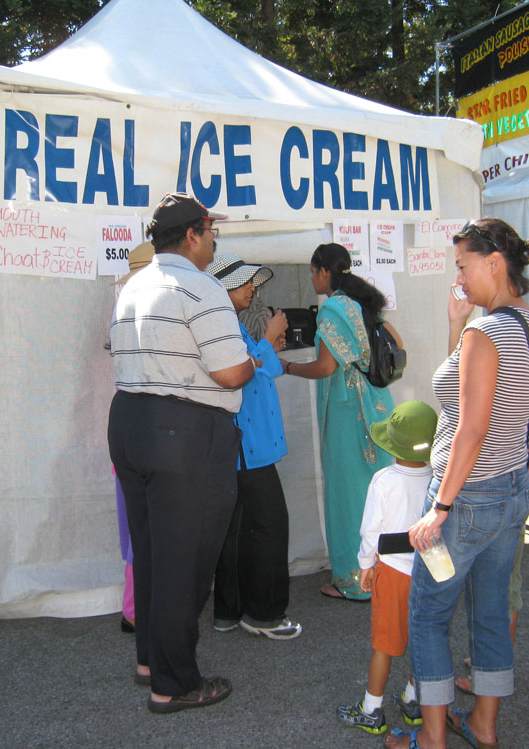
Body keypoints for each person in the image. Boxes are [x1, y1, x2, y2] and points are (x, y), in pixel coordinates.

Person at [387, 218, 529, 749]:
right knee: (492, 612)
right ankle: (483, 724)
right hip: (510, 491)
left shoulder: (488, 333)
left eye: (462, 265)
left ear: (493, 263)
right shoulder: (527, 324)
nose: (458, 277)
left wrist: (440, 508)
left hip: (466, 499)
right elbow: (471, 398)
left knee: (428, 616)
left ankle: (432, 739)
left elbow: (471, 429)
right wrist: (458, 325)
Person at [107, 192, 255, 714]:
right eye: (211, 231)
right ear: (192, 235)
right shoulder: (200, 286)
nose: (214, 240)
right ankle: (172, 683)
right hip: (184, 432)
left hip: (131, 421)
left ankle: (152, 659)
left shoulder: (133, 284)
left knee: (152, 553)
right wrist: (253, 362)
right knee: (184, 560)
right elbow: (230, 372)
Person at [281, 243, 400, 601]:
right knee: (378, 491)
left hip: (350, 412)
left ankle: (353, 581)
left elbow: (324, 367)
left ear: (323, 272)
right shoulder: (363, 302)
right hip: (376, 404)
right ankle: (385, 575)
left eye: (312, 271)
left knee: (348, 495)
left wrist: (288, 367)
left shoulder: (334, 308)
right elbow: (396, 343)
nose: (311, 278)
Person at [203, 252, 301, 641]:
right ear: (222, 287)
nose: (251, 289)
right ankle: (264, 614)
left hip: (244, 442)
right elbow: (247, 371)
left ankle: (229, 611)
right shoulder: (223, 325)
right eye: (243, 283)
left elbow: (266, 366)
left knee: (238, 528)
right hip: (246, 443)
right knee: (269, 525)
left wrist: (265, 346)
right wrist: (268, 339)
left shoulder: (227, 323)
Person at [337, 400, 436, 736]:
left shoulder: (383, 480)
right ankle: (413, 699)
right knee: (424, 639)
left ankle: (371, 709)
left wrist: (365, 565)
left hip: (392, 571)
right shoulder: (438, 479)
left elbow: (371, 531)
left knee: (384, 644)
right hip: (429, 569)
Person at [110, 241, 155, 634]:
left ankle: (136, 609)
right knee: (143, 530)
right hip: (144, 431)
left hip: (130, 428)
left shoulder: (125, 310)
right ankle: (137, 610)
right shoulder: (143, 313)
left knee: (137, 528)